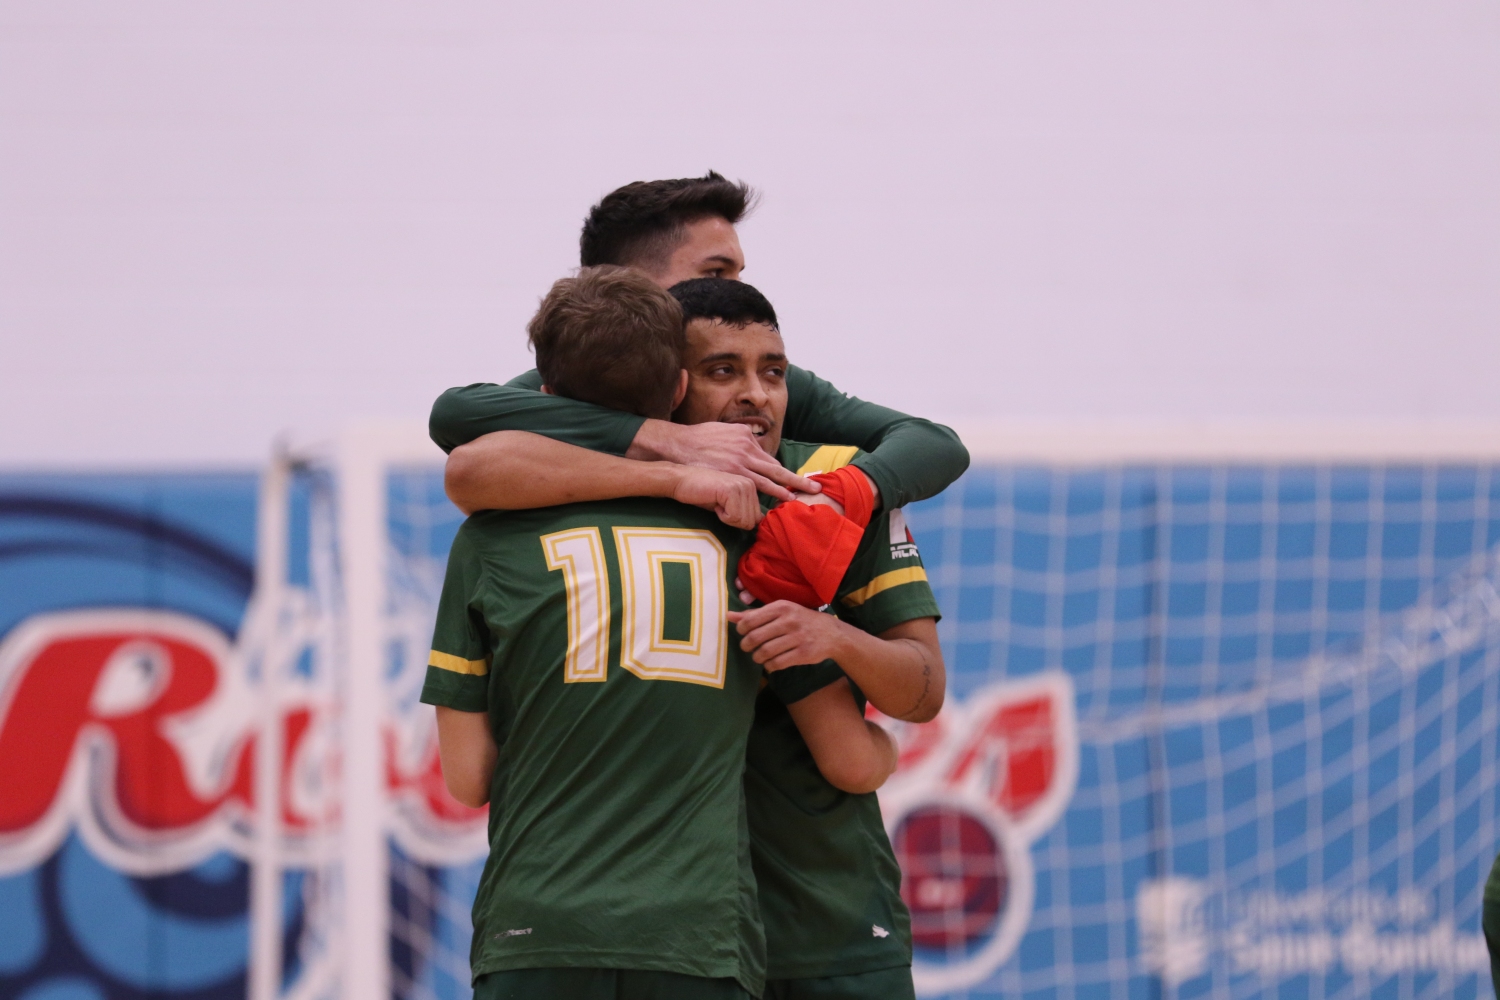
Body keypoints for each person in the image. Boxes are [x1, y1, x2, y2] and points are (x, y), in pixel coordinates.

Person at [443, 278, 947, 999]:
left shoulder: (828, 485)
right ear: (672, 388)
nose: (756, 395)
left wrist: (835, 638)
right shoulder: (747, 522)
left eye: (774, 372)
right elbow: (854, 758)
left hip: (813, 916)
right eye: (722, 372)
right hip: (706, 929)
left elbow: (922, 686)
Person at [434, 171, 970, 518]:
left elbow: (934, 443)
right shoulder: (580, 384)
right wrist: (665, 440)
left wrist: (838, 497)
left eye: (738, 272)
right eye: (717, 270)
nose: (736, 291)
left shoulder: (759, 384)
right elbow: (455, 414)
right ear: (622, 282)